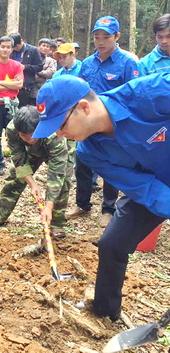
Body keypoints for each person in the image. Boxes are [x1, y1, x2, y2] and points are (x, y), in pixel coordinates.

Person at [32, 73, 170, 321]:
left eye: (61, 126)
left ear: (83, 107)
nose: (60, 136)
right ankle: (105, 313)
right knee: (111, 243)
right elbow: (143, 187)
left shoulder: (152, 92)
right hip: (154, 185)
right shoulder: (90, 152)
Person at [68, 16, 139, 228]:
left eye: (106, 37)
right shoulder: (87, 64)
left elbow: (134, 95)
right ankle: (82, 204)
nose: (101, 42)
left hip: (113, 125)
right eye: (97, 37)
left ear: (117, 37)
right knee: (82, 162)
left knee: (111, 165)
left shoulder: (128, 63)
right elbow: (79, 90)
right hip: (87, 124)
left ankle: (108, 209)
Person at [0, 106, 72, 238]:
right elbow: (19, 159)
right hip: (32, 151)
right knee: (15, 178)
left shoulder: (53, 134)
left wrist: (48, 206)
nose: (30, 139)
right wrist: (32, 184)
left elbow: (56, 173)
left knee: (63, 183)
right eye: (24, 136)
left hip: (58, 151)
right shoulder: (12, 129)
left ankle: (56, 223)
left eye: (33, 134)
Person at [0, 36, 23, 175]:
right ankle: (0, 163)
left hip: (12, 104)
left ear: (12, 49)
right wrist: (10, 83)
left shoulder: (17, 65)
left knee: (15, 134)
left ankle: (17, 164)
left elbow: (19, 84)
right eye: (3, 46)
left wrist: (0, 82)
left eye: (8, 47)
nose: (5, 49)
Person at [9, 33, 43, 107]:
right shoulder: (10, 51)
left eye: (16, 47)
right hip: (10, 84)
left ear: (21, 41)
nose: (14, 49)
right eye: (12, 47)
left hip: (26, 86)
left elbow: (39, 67)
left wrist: (25, 67)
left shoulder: (33, 50)